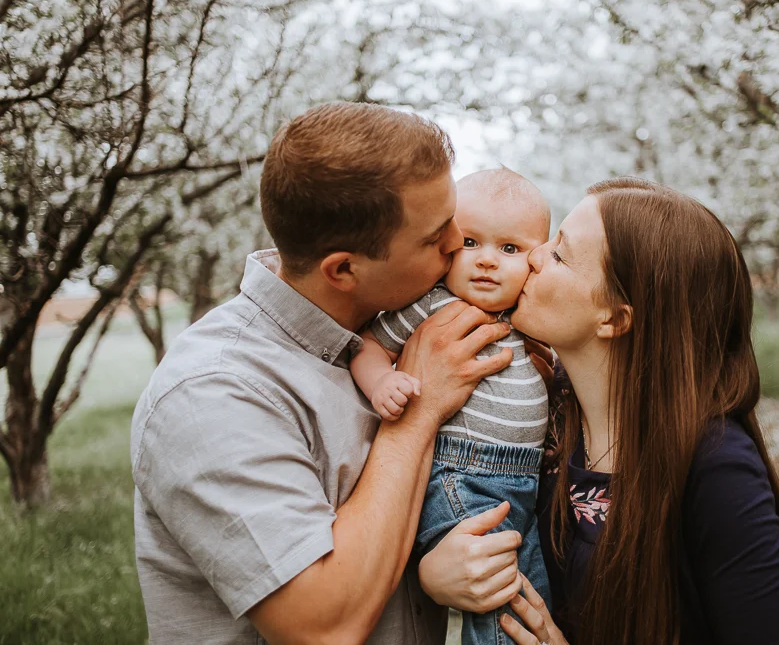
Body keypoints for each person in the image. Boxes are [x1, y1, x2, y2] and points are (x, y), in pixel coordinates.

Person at [129, 102, 524, 645]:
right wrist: (417, 415)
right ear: (343, 269)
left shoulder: (397, 326)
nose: (459, 242)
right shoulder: (213, 392)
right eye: (435, 237)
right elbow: (323, 628)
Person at [418, 177, 779, 645]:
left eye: (560, 254)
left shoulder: (716, 466)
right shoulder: (543, 411)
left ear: (613, 317)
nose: (532, 256)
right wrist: (434, 574)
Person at [351, 168, 553, 645]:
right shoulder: (434, 305)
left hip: (524, 481)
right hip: (462, 474)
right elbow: (366, 345)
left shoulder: (530, 315)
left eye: (509, 249)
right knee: (496, 598)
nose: (486, 261)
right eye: (470, 243)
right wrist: (383, 382)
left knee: (532, 595)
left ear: (537, 259)